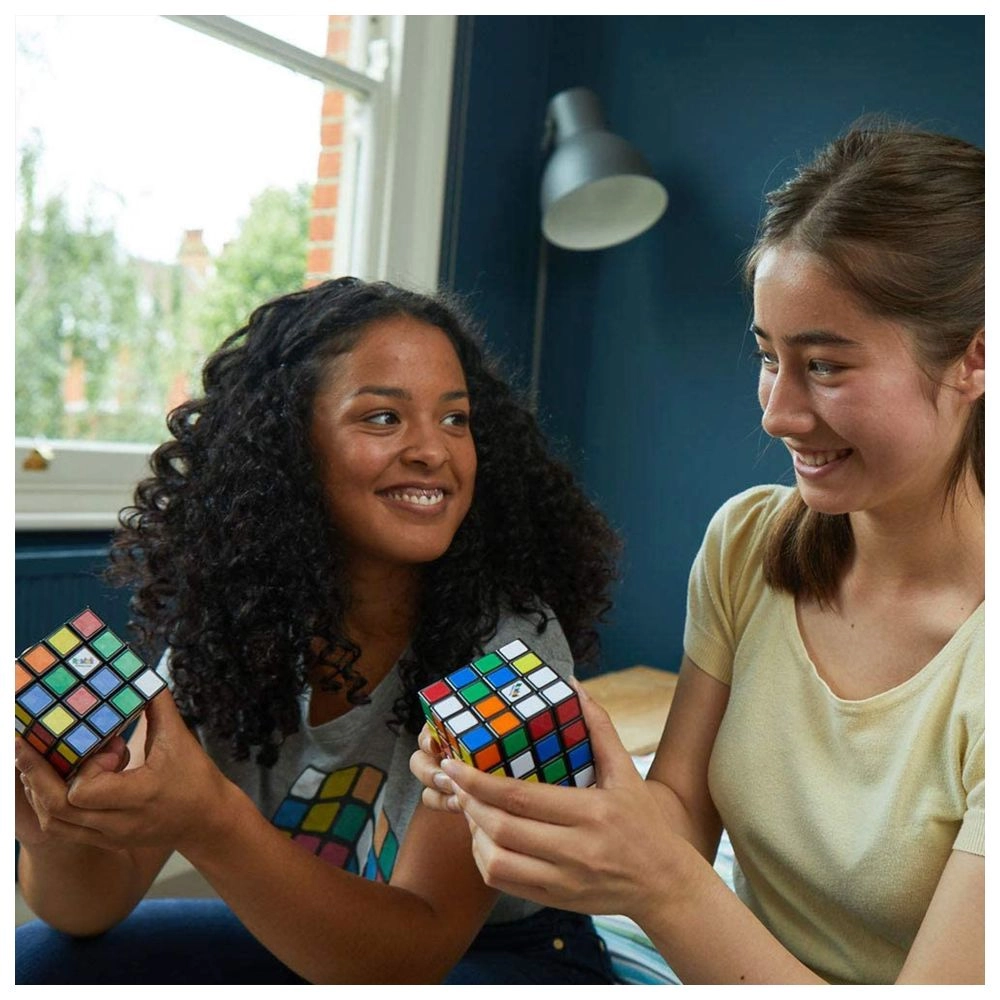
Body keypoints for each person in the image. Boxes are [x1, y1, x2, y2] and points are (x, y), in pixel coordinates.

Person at [411, 122, 985, 985]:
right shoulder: (749, 544)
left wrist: (663, 882)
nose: (778, 413)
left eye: (825, 366)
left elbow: (671, 872)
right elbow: (678, 815)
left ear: (976, 356)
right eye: (768, 358)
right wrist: (555, 792)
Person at [14, 277, 622, 985]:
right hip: (322, 943)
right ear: (289, 449)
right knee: (40, 962)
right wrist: (56, 833)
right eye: (383, 418)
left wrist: (209, 818)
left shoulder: (509, 651)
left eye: (456, 420)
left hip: (501, 957)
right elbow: (87, 910)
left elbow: (415, 956)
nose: (434, 450)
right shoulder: (235, 635)